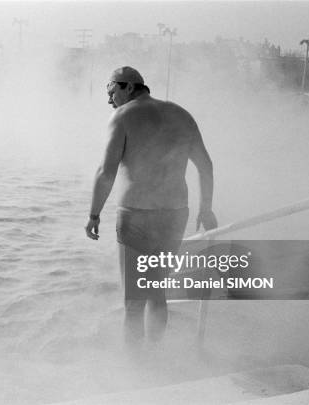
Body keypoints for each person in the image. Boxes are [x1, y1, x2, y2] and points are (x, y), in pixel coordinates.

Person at [85, 66, 218, 344]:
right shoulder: (182, 115)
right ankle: (154, 357)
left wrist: (94, 214)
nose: (109, 100)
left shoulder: (122, 117)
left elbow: (105, 173)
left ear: (129, 87)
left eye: (111, 92)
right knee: (157, 293)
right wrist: (206, 208)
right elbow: (205, 166)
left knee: (133, 301)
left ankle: (135, 368)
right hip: (174, 214)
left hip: (137, 216)